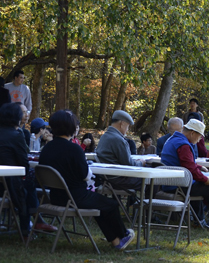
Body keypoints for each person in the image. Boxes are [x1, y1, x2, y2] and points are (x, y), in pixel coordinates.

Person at [39, 110, 135, 250]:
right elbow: (85, 175)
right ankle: (123, 234)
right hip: (75, 197)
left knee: (101, 204)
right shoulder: (74, 149)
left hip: (55, 196)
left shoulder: (47, 148)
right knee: (111, 204)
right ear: (71, 127)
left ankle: (116, 241)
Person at [0, 103, 56, 239]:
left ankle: (37, 219)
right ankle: (31, 223)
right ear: (17, 118)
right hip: (10, 183)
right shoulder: (16, 135)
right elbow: (23, 163)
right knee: (30, 180)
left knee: (28, 182)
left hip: (2, 182)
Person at [161, 119, 209, 231]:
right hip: (179, 186)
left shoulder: (172, 140)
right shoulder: (183, 145)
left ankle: (198, 220)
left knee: (198, 185)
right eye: (200, 136)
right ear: (192, 133)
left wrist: (199, 167)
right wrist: (205, 179)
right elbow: (189, 168)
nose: (200, 139)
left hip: (169, 183)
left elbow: (183, 162)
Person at [96, 110, 145, 190]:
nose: (127, 130)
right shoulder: (118, 140)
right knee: (153, 181)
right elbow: (129, 165)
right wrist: (141, 163)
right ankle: (149, 202)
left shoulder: (104, 137)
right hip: (118, 181)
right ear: (122, 124)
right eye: (127, 126)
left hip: (106, 179)